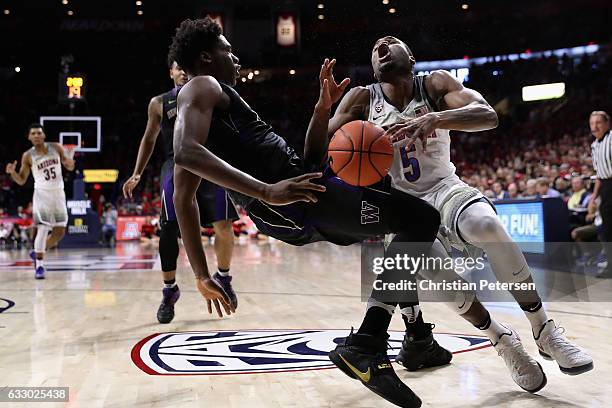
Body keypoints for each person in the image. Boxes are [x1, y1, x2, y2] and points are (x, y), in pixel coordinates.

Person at [168, 18, 442, 407]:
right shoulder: (201, 85)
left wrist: (321, 109)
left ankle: (412, 339)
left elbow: (185, 197)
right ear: (205, 57)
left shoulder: (212, 104)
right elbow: (185, 153)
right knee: (421, 219)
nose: (235, 56)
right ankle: (370, 344)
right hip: (294, 203)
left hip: (303, 192)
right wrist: (266, 190)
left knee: (400, 211)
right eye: (228, 49)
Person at [311, 35, 592, 394]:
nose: (381, 46)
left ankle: (544, 330)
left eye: (391, 42)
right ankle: (503, 341)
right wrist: (322, 110)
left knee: (487, 225)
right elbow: (315, 152)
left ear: (410, 57)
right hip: (402, 208)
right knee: (447, 284)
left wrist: (436, 119)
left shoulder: (435, 83)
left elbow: (488, 115)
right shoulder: (361, 98)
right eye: (375, 46)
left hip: (445, 189)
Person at [122, 60, 239, 324]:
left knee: (224, 224)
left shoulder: (210, 93)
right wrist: (138, 173)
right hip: (175, 163)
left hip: (209, 161)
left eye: (188, 65)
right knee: (169, 228)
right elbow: (149, 138)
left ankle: (223, 276)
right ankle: (169, 290)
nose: (183, 70)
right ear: (171, 72)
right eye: (178, 67)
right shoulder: (159, 103)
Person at [5, 124, 75, 279]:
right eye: (33, 133)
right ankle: (40, 266)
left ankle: (36, 252)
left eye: (39, 133)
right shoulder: (28, 156)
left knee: (59, 232)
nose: (36, 135)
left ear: (44, 135)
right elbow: (22, 180)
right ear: (29, 137)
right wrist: (12, 173)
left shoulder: (56, 147)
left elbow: (69, 166)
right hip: (42, 194)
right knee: (43, 229)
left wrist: (70, 161)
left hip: (58, 193)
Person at [587, 110, 612, 278]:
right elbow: (599, 175)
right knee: (607, 230)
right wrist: (593, 198)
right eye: (592, 123)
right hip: (606, 187)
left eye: (598, 123)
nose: (595, 126)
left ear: (607, 124)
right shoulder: (594, 145)